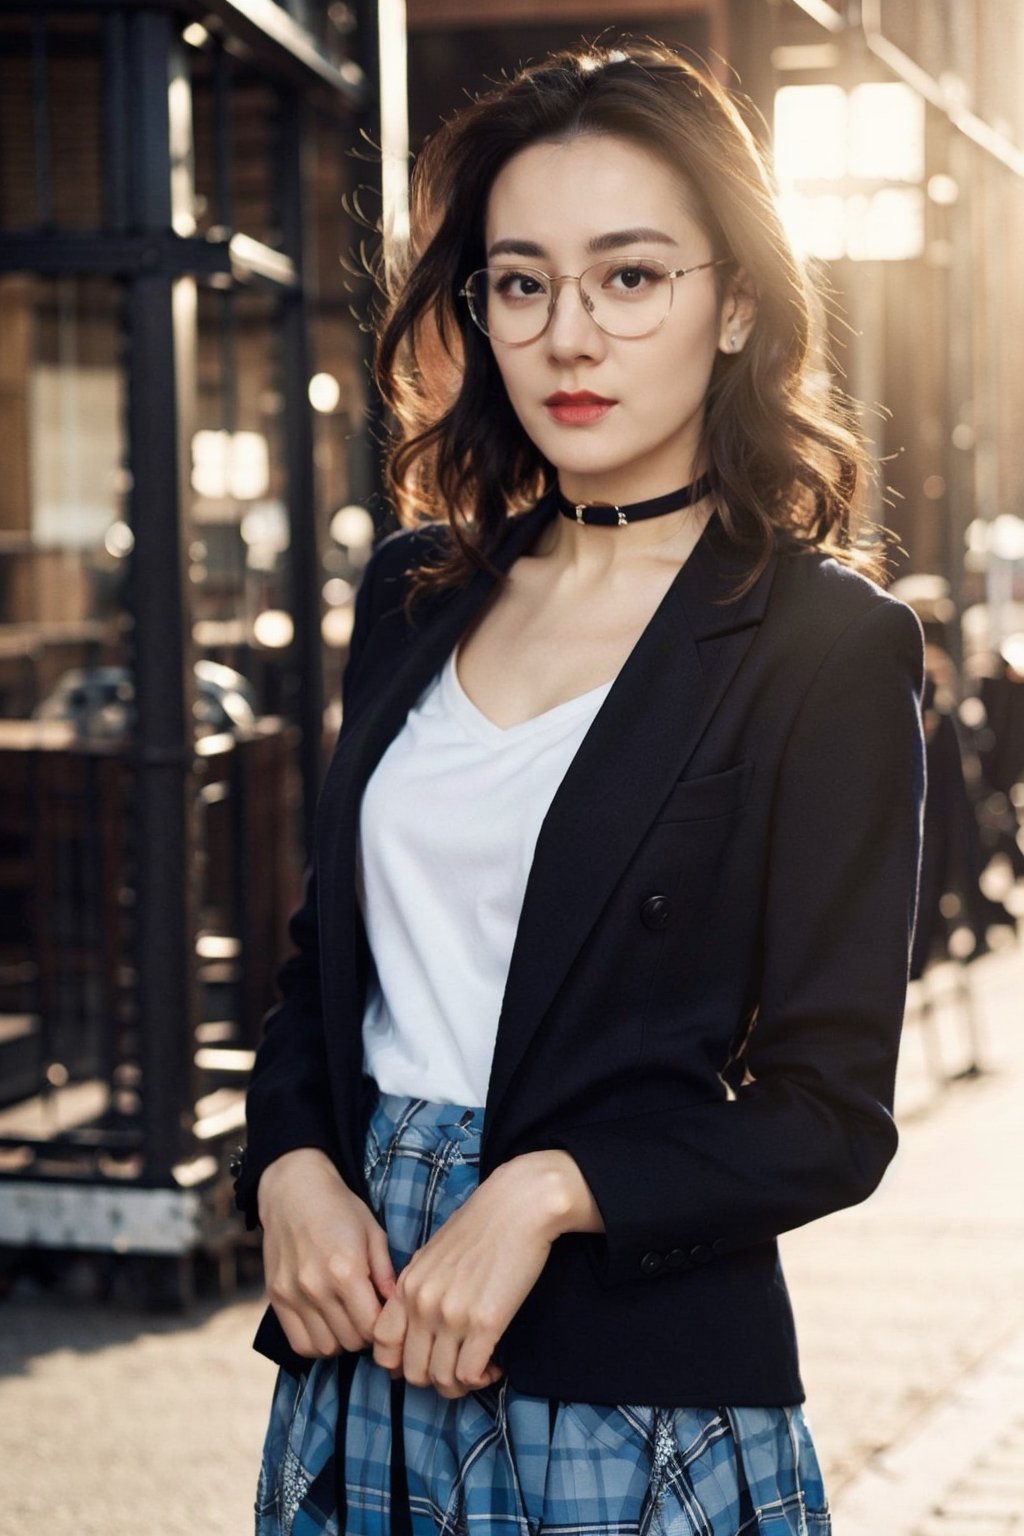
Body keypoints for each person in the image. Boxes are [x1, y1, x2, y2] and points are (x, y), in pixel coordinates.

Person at [234, 40, 925, 1536]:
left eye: (631, 277)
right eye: (521, 282)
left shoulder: (824, 647)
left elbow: (827, 1113)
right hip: (359, 1344)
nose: (570, 339)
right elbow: (324, 969)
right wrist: (287, 1167)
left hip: (626, 1377)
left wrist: (547, 1189)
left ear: (736, 300)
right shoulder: (416, 594)